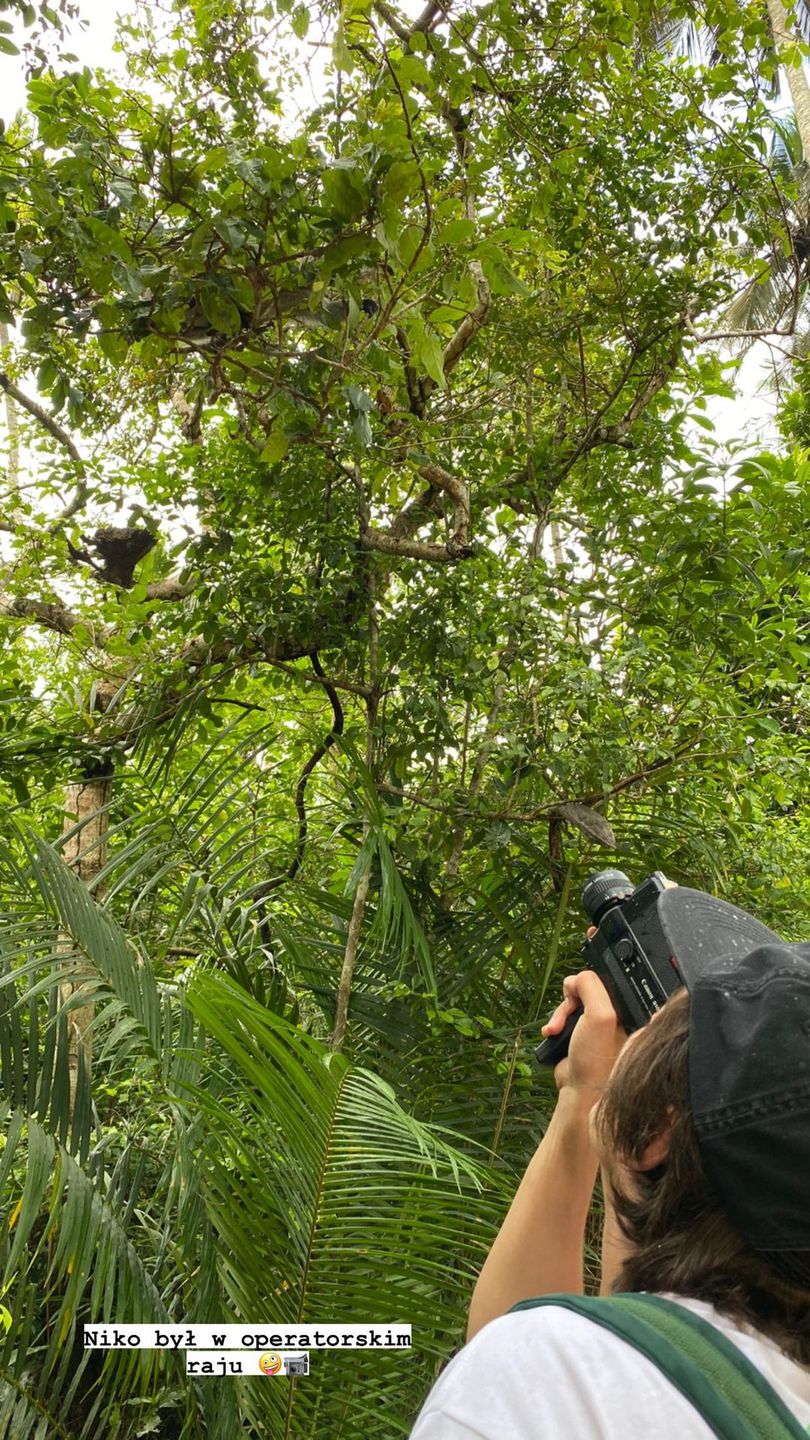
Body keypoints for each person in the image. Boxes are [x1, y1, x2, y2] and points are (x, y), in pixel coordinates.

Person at [409, 940, 810, 1438]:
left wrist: (610, 1111)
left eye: (672, 1013)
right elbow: (641, 1337)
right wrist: (590, 1104)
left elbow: (545, 1381)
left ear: (657, 1134)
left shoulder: (548, 1372)